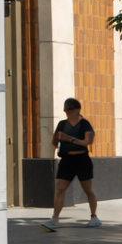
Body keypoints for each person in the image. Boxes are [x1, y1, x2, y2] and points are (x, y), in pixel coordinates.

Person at [43, 98, 98, 231]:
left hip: (82, 159)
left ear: (77, 110)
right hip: (66, 160)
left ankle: (94, 217)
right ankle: (55, 218)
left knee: (88, 190)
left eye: (70, 109)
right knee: (60, 188)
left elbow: (87, 142)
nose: (66, 111)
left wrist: (70, 139)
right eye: (65, 109)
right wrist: (57, 139)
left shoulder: (84, 124)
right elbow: (54, 142)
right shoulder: (62, 124)